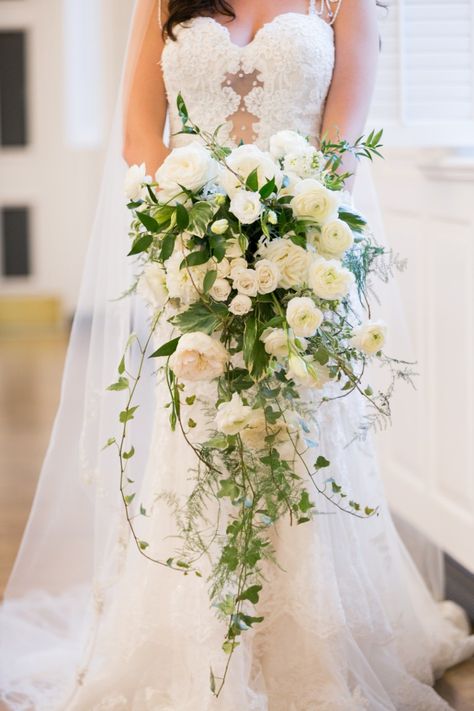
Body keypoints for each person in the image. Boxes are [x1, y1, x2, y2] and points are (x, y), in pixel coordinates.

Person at [1, 1, 473, 709]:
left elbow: (342, 151)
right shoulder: (163, 1)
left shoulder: (341, 4)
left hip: (300, 259)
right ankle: (202, 640)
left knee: (296, 441)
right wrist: (194, 229)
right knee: (198, 445)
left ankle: (305, 644)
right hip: (192, 262)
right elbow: (138, 132)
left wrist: (279, 239)